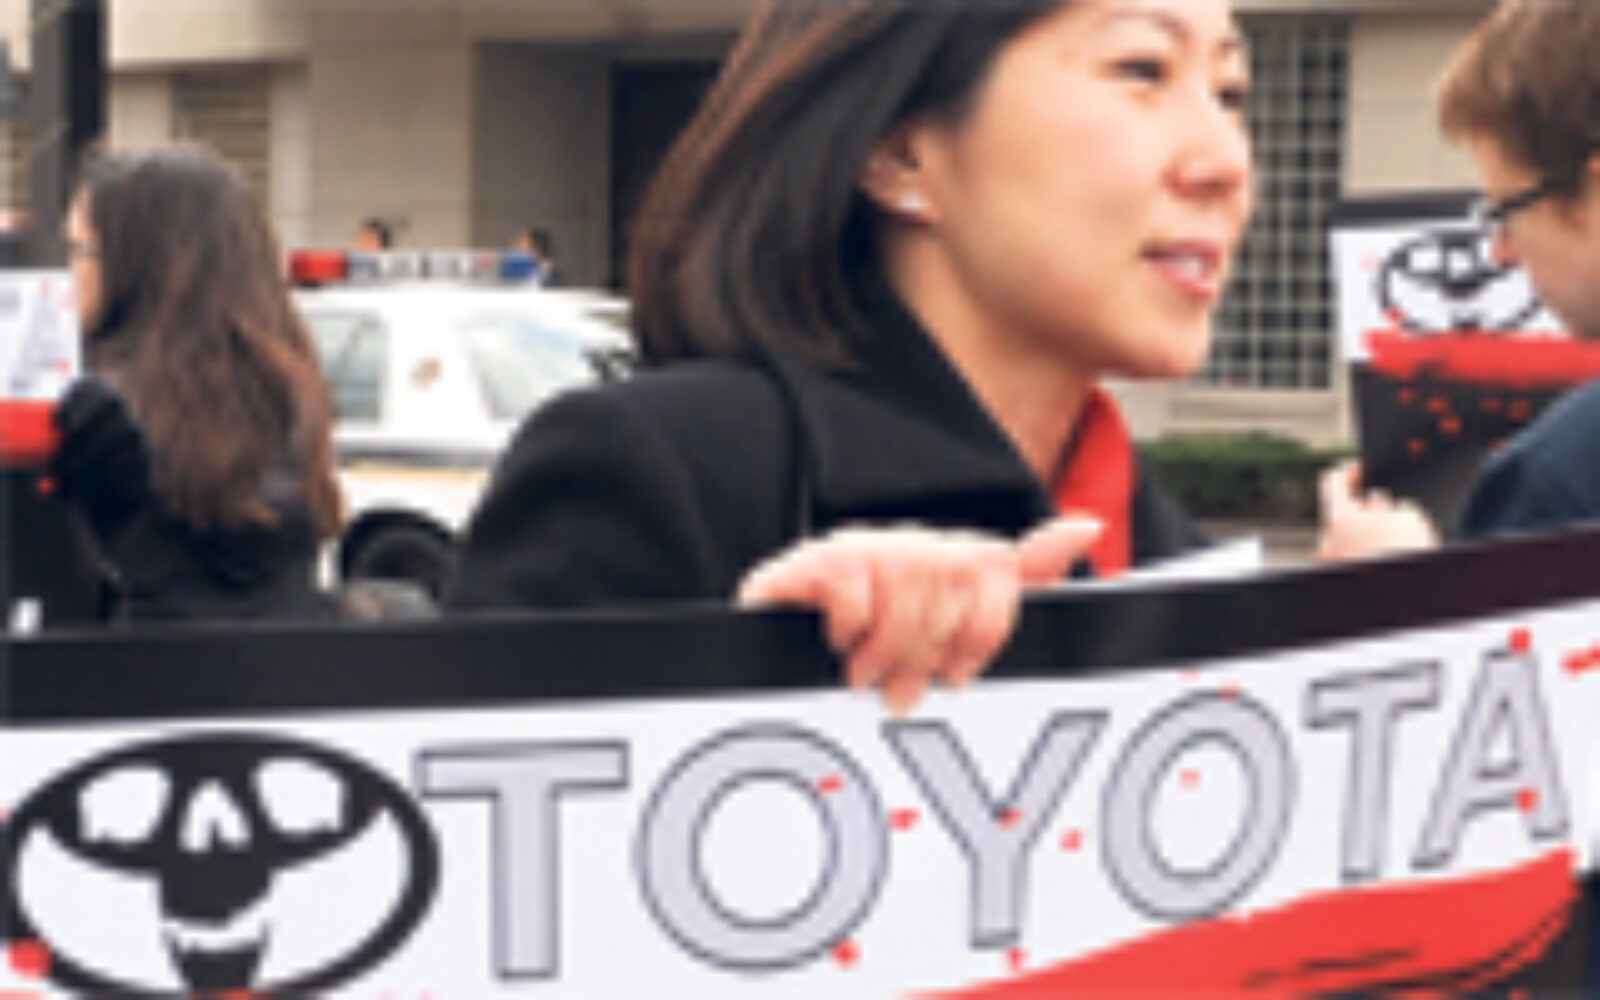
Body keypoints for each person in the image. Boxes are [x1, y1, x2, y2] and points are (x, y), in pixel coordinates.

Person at [447, 0, 1254, 712]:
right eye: (1143, 70)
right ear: (899, 152)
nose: (1225, 163)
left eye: (1230, 94)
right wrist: (772, 663)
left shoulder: (1203, 586)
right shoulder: (656, 475)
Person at [1320, 0, 1600, 560]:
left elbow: (1524, 622)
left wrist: (1398, 585)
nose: (1499, 253)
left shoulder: (1560, 480)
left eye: (1506, 210)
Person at [46, 144, 344, 623]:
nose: (68, 275)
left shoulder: (94, 418)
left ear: (135, 267)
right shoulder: (286, 396)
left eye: (79, 251)